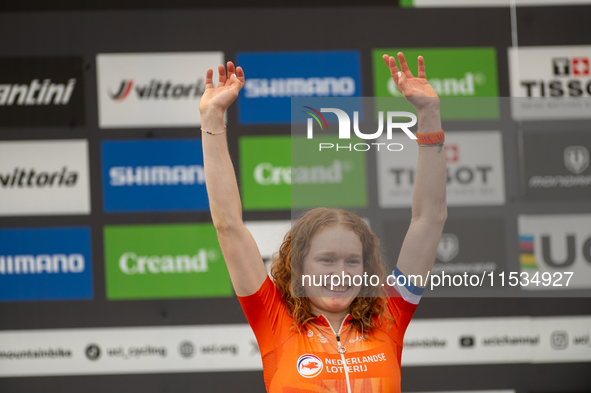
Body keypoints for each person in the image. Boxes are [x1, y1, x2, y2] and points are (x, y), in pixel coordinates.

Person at [199, 52, 447, 393]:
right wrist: (212, 118)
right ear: (299, 265)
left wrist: (429, 114)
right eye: (326, 259)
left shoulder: (387, 315)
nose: (341, 272)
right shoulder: (274, 318)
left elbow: (429, 219)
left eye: (352, 261)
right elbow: (229, 225)